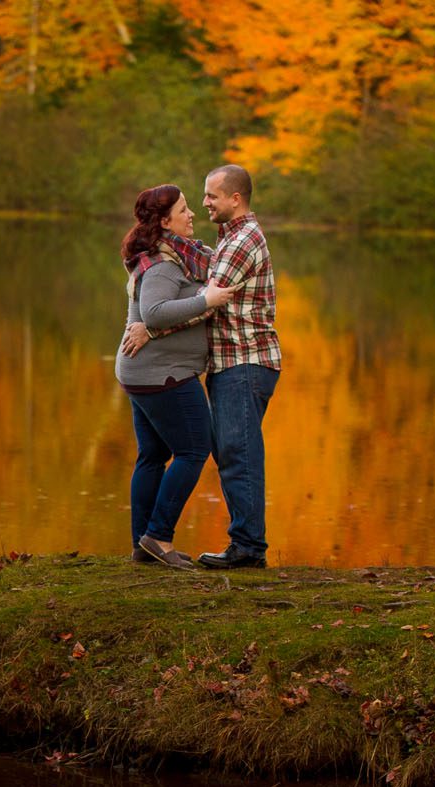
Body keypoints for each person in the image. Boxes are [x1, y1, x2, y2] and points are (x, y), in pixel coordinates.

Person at [123, 164, 281, 570]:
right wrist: (150, 322)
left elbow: (213, 301)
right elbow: (202, 296)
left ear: (235, 198)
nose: (202, 205)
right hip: (226, 362)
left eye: (210, 197)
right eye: (194, 202)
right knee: (205, 451)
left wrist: (150, 330)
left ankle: (246, 547)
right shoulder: (208, 247)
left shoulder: (241, 241)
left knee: (235, 453)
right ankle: (151, 541)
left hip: (244, 360)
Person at [115, 185, 234, 569]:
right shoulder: (165, 263)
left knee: (153, 455)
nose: (192, 215)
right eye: (184, 210)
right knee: (194, 449)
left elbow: (152, 315)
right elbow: (155, 312)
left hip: (142, 370)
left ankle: (142, 545)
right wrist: (207, 300)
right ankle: (158, 536)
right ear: (165, 221)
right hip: (162, 374)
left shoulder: (170, 256)